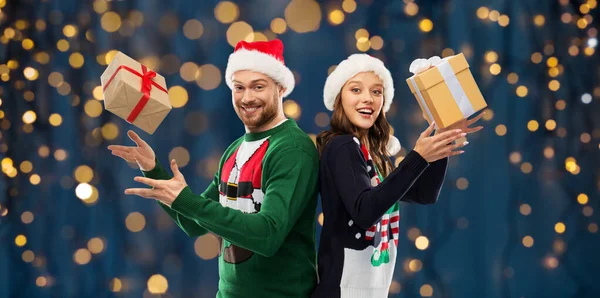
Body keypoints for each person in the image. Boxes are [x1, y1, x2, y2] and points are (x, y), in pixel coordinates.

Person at [108, 39, 319, 298]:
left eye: (258, 87)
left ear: (281, 88)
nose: (247, 97)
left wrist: (186, 200)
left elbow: (268, 235)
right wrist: (153, 170)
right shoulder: (235, 150)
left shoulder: (292, 150)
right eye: (239, 87)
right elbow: (193, 222)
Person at [312, 54, 484, 298]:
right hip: (343, 289)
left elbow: (424, 194)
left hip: (370, 289)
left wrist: (439, 141)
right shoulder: (343, 146)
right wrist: (418, 156)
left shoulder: (371, 153)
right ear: (339, 97)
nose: (367, 99)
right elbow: (364, 211)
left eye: (376, 91)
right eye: (355, 89)